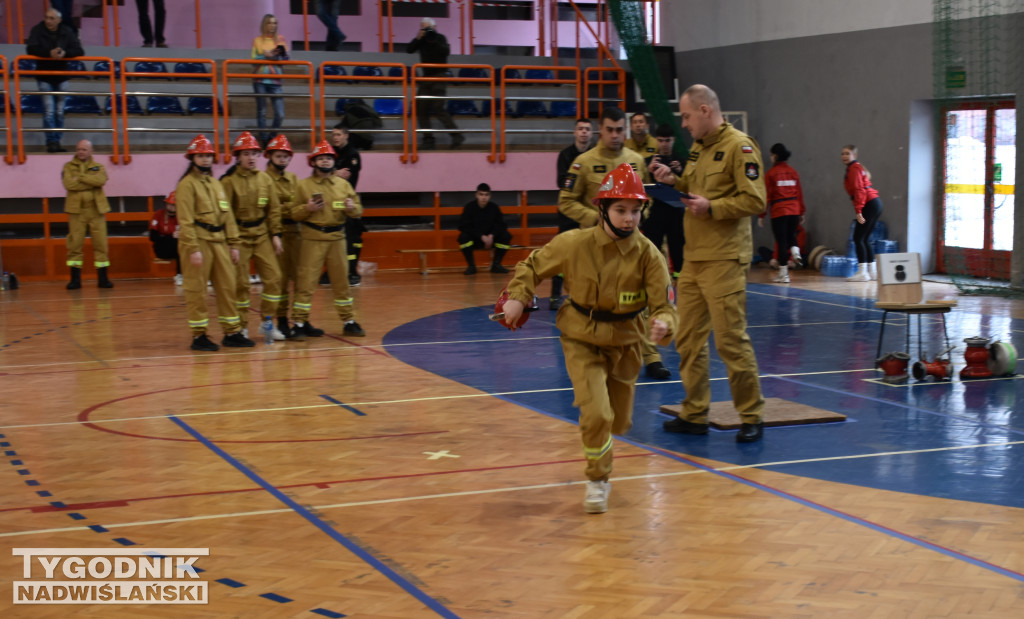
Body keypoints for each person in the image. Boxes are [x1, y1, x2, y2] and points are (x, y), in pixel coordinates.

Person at [501, 163, 676, 514]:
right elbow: (532, 266)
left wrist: (665, 324)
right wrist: (518, 297)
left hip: (626, 343)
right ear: (602, 210)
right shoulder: (574, 244)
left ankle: (603, 451)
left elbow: (665, 304)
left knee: (619, 421)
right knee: (597, 413)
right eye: (621, 210)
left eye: (635, 211)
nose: (629, 219)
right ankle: (598, 480)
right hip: (581, 337)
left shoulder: (649, 255)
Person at [651, 84, 767, 443]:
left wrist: (713, 208)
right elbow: (696, 187)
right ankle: (695, 412)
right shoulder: (699, 148)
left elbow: (755, 200)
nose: (683, 125)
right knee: (687, 339)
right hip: (694, 258)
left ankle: (751, 415)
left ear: (704, 111)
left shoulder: (740, 147)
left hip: (724, 258)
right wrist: (675, 181)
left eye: (686, 116)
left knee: (731, 340)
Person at [559, 106, 670, 381]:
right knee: (599, 302)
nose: (615, 135)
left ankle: (652, 356)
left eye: (620, 129)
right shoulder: (583, 163)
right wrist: (596, 220)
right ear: (601, 130)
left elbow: (648, 197)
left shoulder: (636, 160)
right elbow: (566, 201)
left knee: (639, 299)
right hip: (596, 247)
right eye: (610, 129)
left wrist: (637, 215)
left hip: (631, 244)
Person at [175, 134, 253, 351]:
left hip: (220, 243)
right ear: (193, 158)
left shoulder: (215, 184)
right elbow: (186, 220)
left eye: (208, 156)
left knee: (228, 287)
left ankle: (232, 332)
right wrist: (193, 249)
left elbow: (227, 216)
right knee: (197, 290)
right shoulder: (186, 185)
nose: (206, 160)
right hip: (199, 242)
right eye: (201, 156)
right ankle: (199, 336)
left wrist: (234, 244)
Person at [288, 140, 366, 339]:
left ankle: (348, 321)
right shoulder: (303, 186)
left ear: (334, 161)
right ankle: (299, 322)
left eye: (328, 158)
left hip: (337, 239)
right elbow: (293, 213)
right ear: (313, 162)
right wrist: (308, 209)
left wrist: (352, 209)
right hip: (312, 238)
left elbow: (358, 210)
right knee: (306, 282)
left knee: (342, 282)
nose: (325, 161)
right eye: (321, 158)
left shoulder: (344, 185)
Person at [220, 131, 286, 342]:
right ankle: (242, 326)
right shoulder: (228, 183)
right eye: (246, 153)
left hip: (262, 235)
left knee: (275, 278)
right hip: (239, 237)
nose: (251, 157)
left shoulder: (265, 179)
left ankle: (267, 323)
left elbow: (274, 209)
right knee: (241, 284)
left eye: (254, 153)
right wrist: (232, 242)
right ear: (238, 156)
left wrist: (275, 234)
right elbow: (226, 214)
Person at [26, 8, 84, 153]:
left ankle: (57, 140)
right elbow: (31, 49)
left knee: (59, 111)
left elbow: (79, 50)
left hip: (61, 75)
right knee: (49, 111)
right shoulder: (37, 30)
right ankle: (51, 141)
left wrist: (65, 54)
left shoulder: (66, 31)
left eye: (52, 18)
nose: (48, 21)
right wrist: (48, 54)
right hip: (44, 75)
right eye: (47, 17)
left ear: (59, 20)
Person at [550, 117, 593, 310]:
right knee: (563, 253)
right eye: (580, 129)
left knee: (589, 256)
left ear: (592, 133)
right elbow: (562, 182)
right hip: (568, 213)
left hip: (590, 213)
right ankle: (554, 295)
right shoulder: (565, 155)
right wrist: (579, 184)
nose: (584, 132)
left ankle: (585, 296)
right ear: (575, 132)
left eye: (587, 129)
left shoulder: (595, 155)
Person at [62, 140, 113, 290]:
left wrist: (81, 177)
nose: (81, 152)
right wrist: (91, 181)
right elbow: (68, 184)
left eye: (84, 149)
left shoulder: (99, 166)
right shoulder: (68, 167)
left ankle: (103, 279)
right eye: (79, 149)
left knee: (101, 244)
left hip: (96, 210)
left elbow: (101, 180)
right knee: (75, 244)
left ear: (91, 151)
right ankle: (75, 280)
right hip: (76, 211)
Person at [265, 134, 302, 337]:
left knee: (299, 279)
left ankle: (300, 321)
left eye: (286, 156)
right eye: (278, 156)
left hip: (295, 233)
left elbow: (298, 205)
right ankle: (280, 320)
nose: (282, 160)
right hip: (274, 235)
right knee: (279, 281)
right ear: (270, 156)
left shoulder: (294, 179)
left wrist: (283, 207)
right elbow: (270, 209)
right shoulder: (264, 180)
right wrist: (288, 207)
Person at [408, 18, 463, 150]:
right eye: (424, 28)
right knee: (420, 109)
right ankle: (428, 139)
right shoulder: (421, 40)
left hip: (439, 75)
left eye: (428, 28)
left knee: (439, 108)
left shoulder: (440, 38)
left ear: (435, 27)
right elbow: (409, 50)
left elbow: (446, 51)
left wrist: (433, 40)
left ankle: (456, 136)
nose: (427, 30)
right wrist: (418, 38)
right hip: (426, 78)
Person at [758, 143, 806, 284]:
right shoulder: (793, 172)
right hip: (794, 209)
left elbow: (767, 195)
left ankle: (784, 274)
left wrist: (762, 214)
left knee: (782, 241)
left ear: (775, 156)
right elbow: (799, 193)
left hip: (779, 210)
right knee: (792, 236)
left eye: (771, 155)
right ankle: (796, 254)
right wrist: (801, 211)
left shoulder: (771, 174)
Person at [643, 123, 686, 279]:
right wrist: (649, 170)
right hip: (656, 210)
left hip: (676, 209)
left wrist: (679, 172)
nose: (664, 144)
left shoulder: (680, 161)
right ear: (656, 141)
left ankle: (679, 277)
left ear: (673, 140)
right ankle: (652, 277)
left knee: (678, 247)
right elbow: (640, 185)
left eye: (667, 140)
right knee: (652, 246)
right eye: (660, 140)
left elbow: (689, 185)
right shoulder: (648, 161)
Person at [330, 127, 365, 287]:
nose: (335, 138)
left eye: (338, 134)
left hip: (347, 202)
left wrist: (333, 173)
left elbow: (346, 179)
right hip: (333, 203)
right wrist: (335, 173)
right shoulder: (333, 153)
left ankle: (352, 273)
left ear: (346, 136)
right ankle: (331, 272)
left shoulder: (352, 154)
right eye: (333, 135)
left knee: (352, 240)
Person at [842, 144, 883, 282]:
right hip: (875, 203)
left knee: (858, 238)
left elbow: (859, 190)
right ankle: (872, 272)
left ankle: (862, 272)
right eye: (843, 154)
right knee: (865, 239)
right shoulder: (857, 168)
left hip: (869, 204)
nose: (844, 156)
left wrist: (858, 211)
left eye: (848, 153)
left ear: (855, 155)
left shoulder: (854, 169)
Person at [252, 14, 289, 148]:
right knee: (262, 111)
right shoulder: (257, 40)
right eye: (269, 23)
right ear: (264, 25)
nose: (272, 26)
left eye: (274, 23)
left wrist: (273, 56)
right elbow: (254, 60)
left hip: (276, 80)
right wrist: (266, 56)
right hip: (260, 79)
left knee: (280, 113)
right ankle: (264, 140)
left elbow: (286, 58)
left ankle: (271, 137)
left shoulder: (280, 39)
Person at [457, 183, 511, 275]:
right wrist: (481, 236)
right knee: (463, 237)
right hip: (475, 241)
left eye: (486, 195)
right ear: (476, 195)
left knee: (506, 236)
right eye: (481, 194)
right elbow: (463, 226)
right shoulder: (469, 207)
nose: (484, 197)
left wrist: (491, 235)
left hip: (491, 240)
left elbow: (502, 225)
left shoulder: (494, 208)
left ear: (490, 196)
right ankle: (471, 266)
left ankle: (496, 265)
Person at [150, 191, 181, 285]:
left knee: (184, 246)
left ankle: (181, 274)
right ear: (166, 204)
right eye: (169, 205)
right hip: (162, 247)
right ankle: (179, 275)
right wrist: (170, 236)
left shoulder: (181, 217)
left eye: (174, 206)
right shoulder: (158, 215)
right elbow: (153, 237)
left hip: (178, 247)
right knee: (177, 243)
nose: (171, 208)